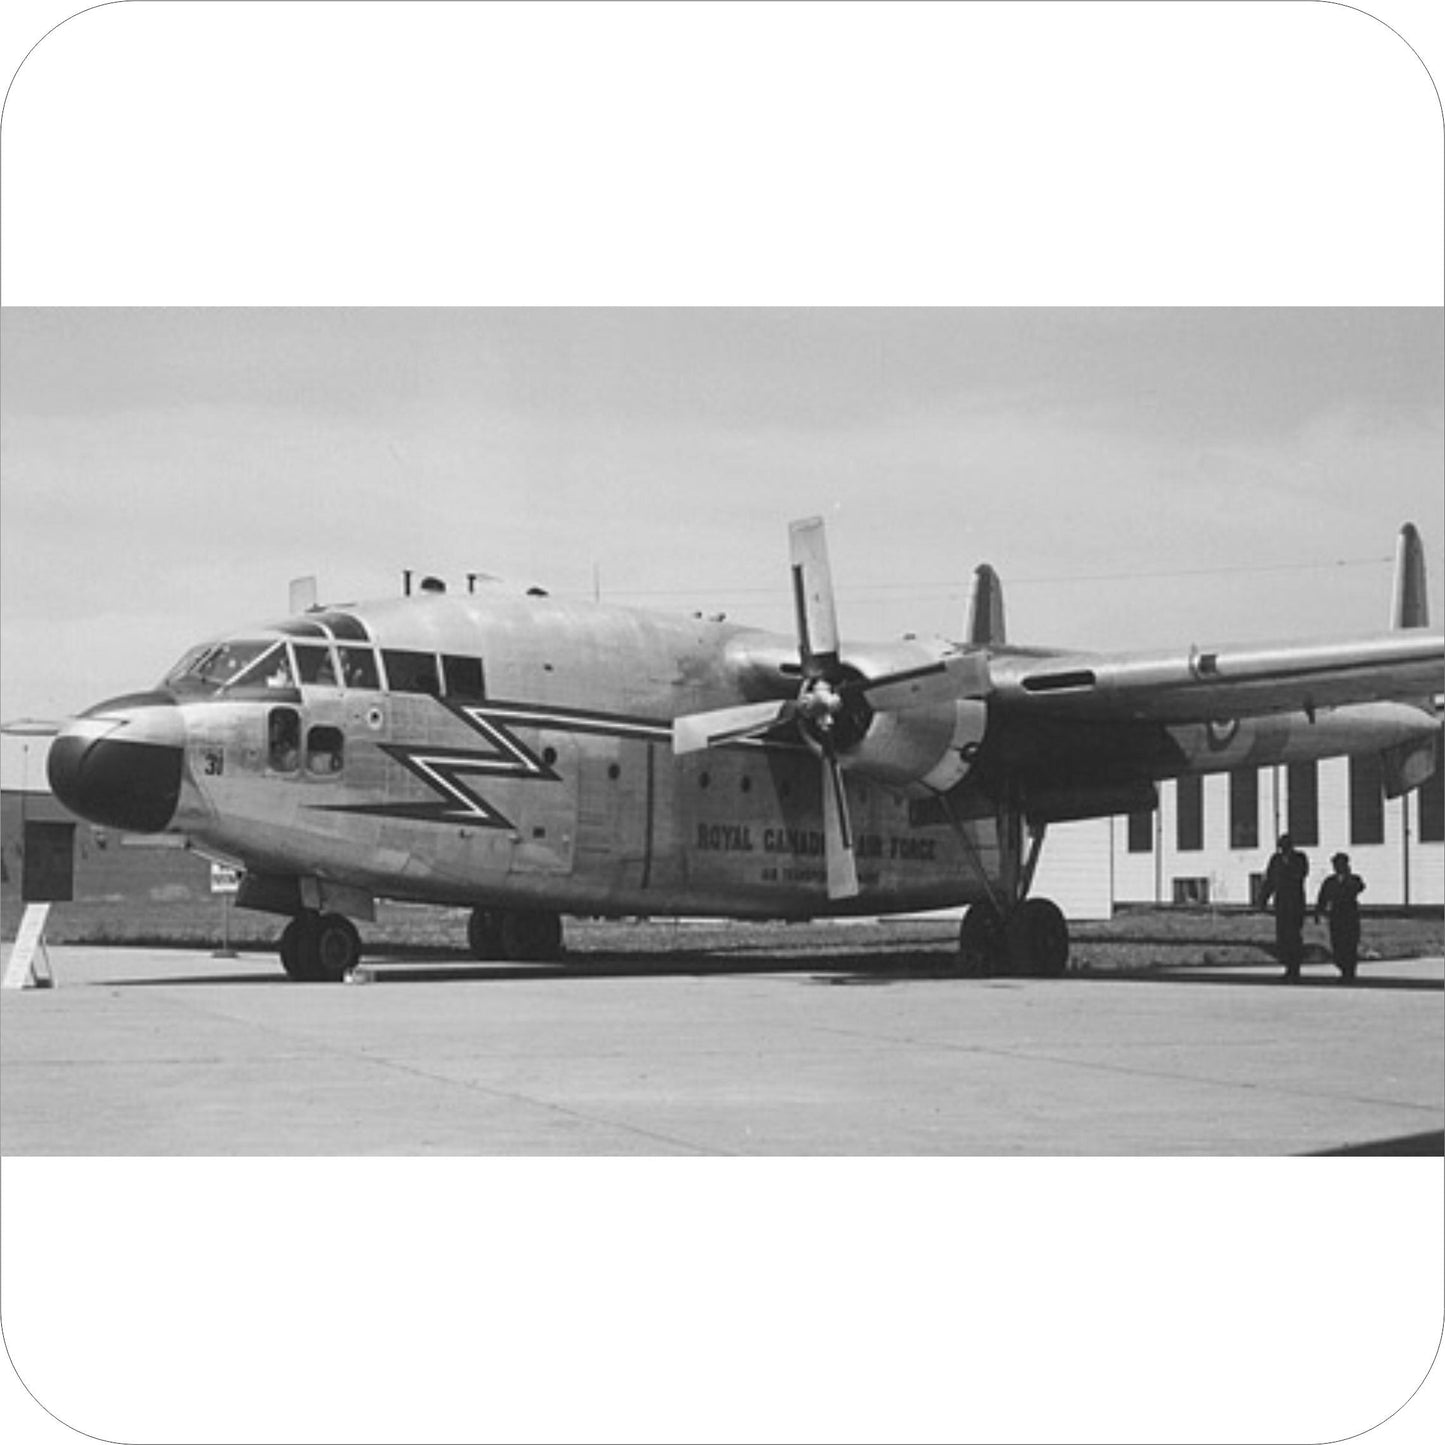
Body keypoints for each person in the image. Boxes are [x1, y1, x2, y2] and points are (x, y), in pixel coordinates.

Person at [1259, 833, 1310, 981]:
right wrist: (1263, 899)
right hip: (1281, 903)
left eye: (1285, 846)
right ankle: (1288, 966)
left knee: (1294, 936)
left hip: (1295, 903)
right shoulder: (1275, 860)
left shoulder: (1299, 858)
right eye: (1281, 846)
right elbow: (1270, 880)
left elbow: (1301, 874)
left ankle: (1295, 968)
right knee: (1282, 937)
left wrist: (1286, 871)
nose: (1283, 849)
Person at [1315, 852, 1366, 981]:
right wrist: (1319, 911)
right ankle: (1343, 968)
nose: (1338, 867)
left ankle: (1349, 972)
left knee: (1350, 944)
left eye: (1341, 864)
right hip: (1336, 916)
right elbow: (1322, 897)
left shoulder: (1354, 879)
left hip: (1350, 916)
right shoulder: (1330, 881)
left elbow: (1359, 887)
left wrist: (1347, 877)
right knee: (1337, 945)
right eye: (1336, 865)